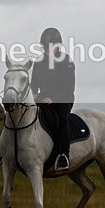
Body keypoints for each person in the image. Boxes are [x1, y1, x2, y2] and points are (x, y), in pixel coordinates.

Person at [31, 27, 75, 171]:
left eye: (47, 47)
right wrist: (33, 94)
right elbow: (34, 84)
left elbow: (69, 88)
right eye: (43, 46)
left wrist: (53, 99)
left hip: (63, 99)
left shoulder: (66, 61)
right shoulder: (38, 62)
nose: (44, 49)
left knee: (61, 120)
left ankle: (64, 155)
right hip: (43, 98)